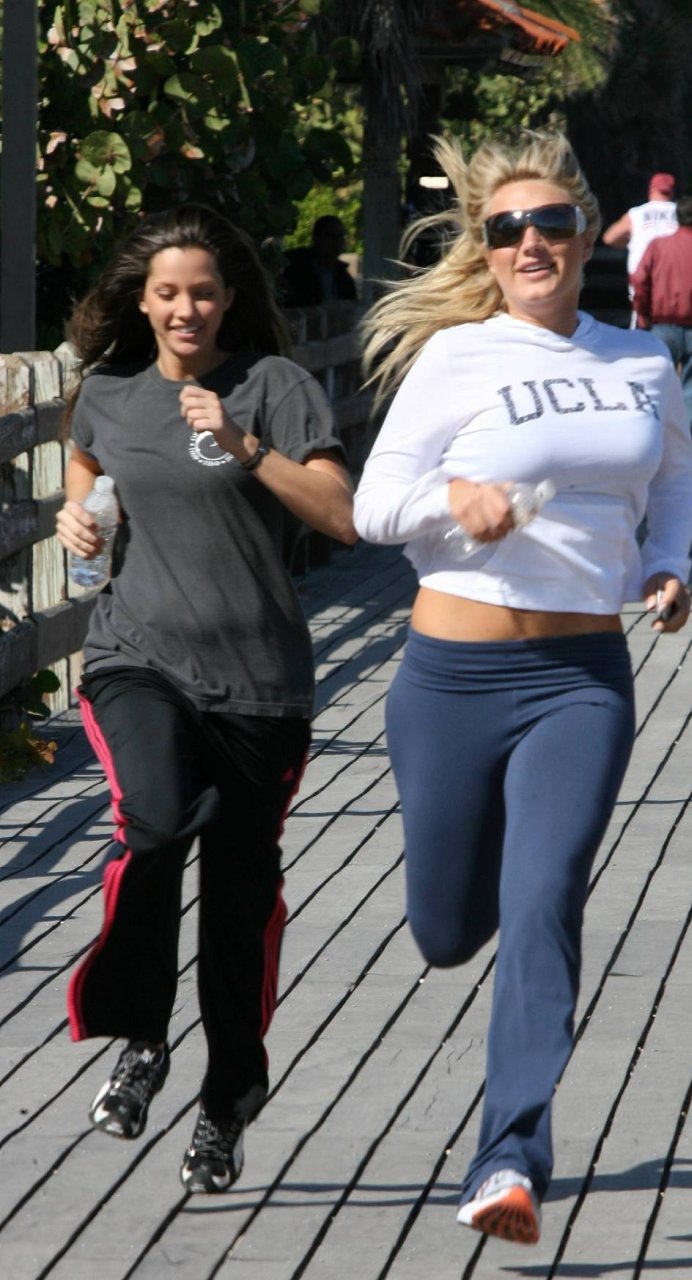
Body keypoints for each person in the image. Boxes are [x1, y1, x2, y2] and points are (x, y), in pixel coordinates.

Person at [354, 132, 692, 1246]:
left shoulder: (640, 362)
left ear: (587, 236)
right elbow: (372, 507)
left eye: (552, 223)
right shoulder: (456, 358)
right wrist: (455, 499)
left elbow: (675, 478)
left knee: (545, 895)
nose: (532, 242)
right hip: (449, 680)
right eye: (509, 229)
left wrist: (668, 563)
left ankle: (510, 1156)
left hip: (581, 680)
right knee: (447, 929)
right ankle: (468, 916)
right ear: (487, 249)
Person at [55, 204, 357, 1194]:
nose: (186, 308)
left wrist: (242, 444)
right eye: (168, 293)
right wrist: (78, 516)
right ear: (142, 302)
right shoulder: (108, 391)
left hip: (261, 682)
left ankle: (228, 1097)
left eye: (204, 292)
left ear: (229, 300)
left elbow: (341, 516)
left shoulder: (273, 386)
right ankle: (141, 1035)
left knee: (238, 897)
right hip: (136, 656)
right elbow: (87, 469)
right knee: (151, 821)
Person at [630, 195, 692, 444]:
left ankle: (654, 441)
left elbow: (639, 279)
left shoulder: (658, 246)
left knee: (656, 388)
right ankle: (682, 446)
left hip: (662, 326)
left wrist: (643, 313)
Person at [601, 172, 679, 310]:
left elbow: (609, 237)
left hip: (643, 288)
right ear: (672, 192)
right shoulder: (682, 214)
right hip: (675, 288)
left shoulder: (636, 214)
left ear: (651, 190)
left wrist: (632, 243)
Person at [281, 214, 358, 306]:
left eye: (340, 236)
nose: (336, 241)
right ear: (316, 237)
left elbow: (352, 306)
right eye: (329, 235)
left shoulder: (343, 277)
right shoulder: (295, 265)